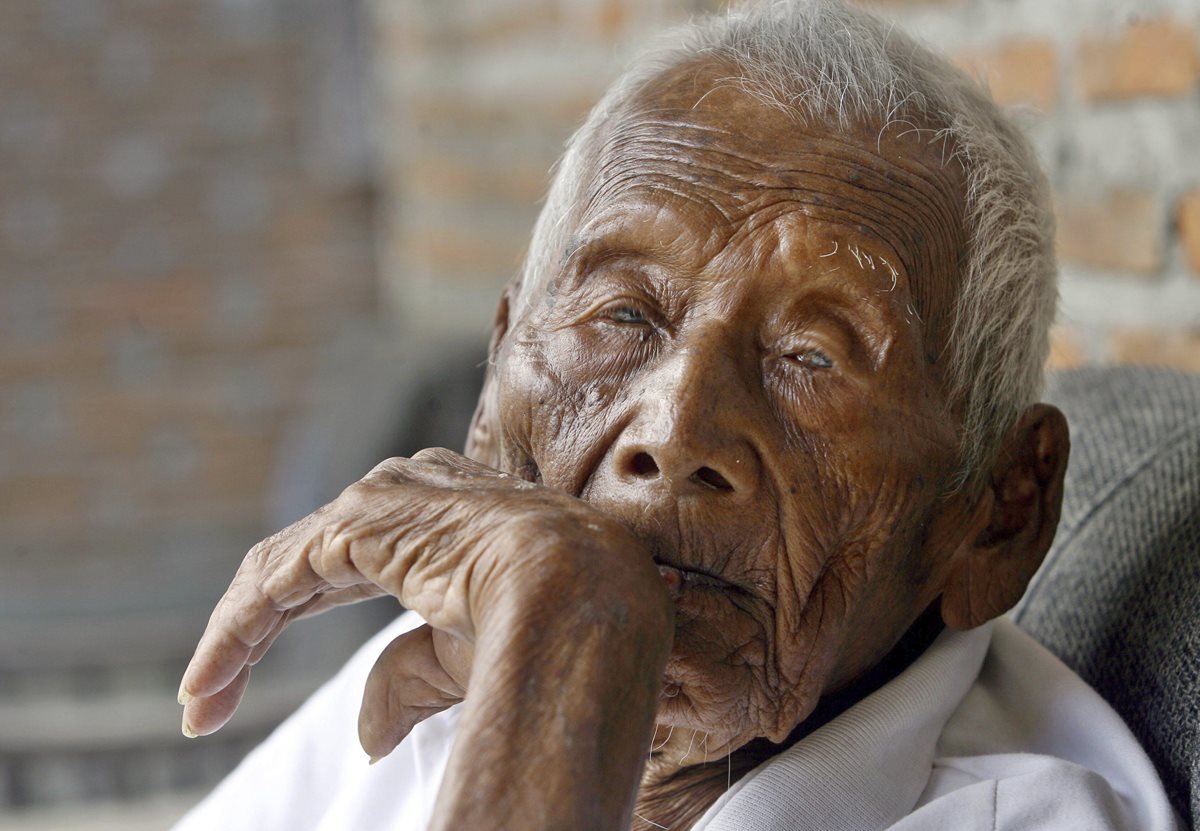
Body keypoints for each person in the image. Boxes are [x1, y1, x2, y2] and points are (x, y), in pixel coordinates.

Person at [174, 1, 1181, 828]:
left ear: (999, 514)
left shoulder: (1029, 818)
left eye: (810, 358)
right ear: (495, 383)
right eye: (623, 315)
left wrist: (573, 639)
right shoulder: (461, 660)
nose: (674, 429)